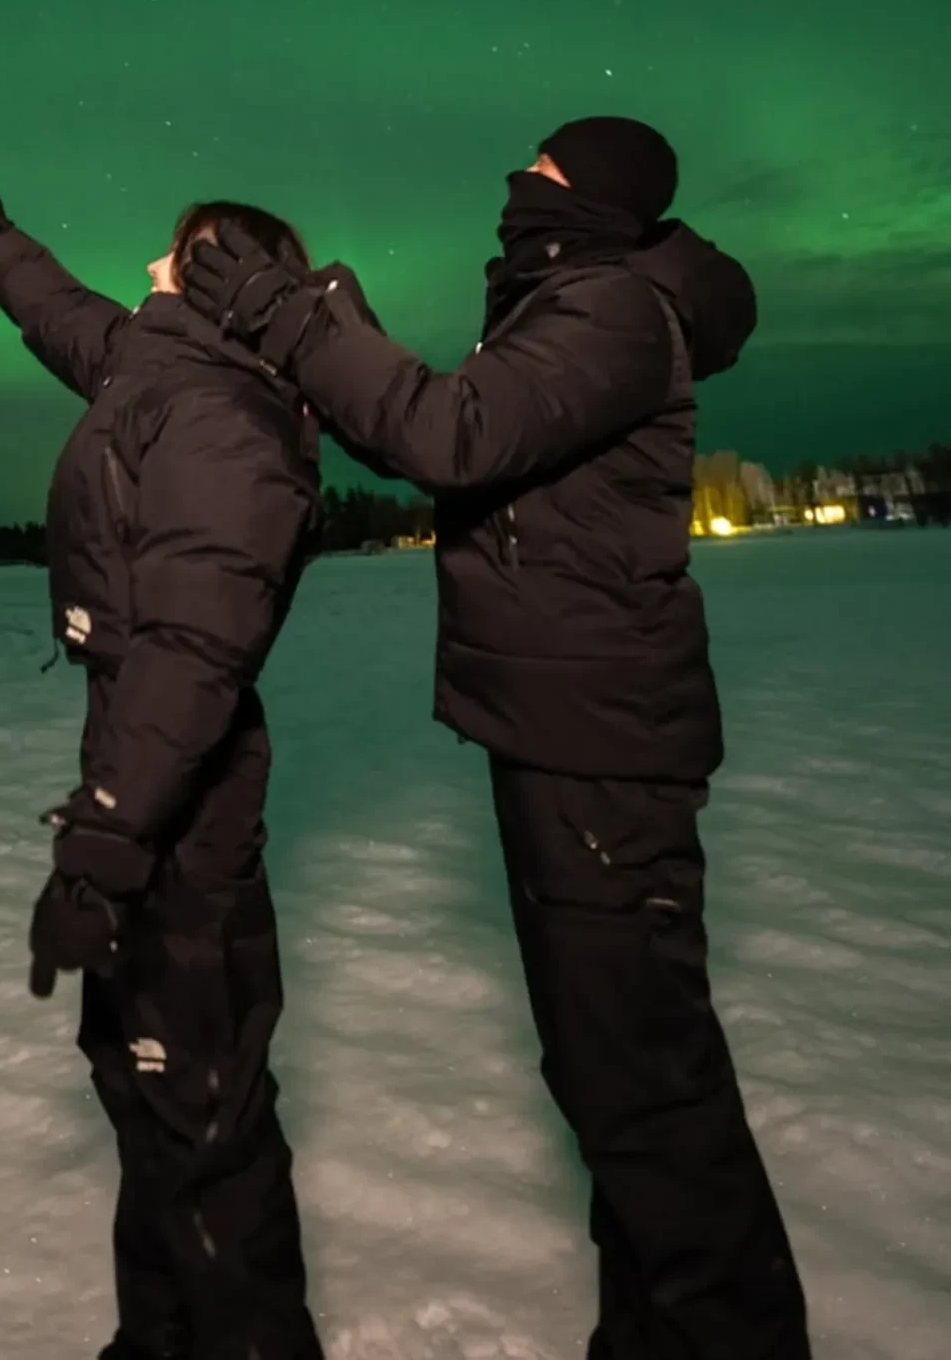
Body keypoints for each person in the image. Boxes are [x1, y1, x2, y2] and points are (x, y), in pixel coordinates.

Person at [178, 117, 812, 1360]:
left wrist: (285, 312)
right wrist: (317, 320)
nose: (518, 181)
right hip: (563, 724)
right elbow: (436, 434)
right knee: (607, 1077)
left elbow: (447, 434)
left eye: (544, 167)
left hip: (598, 743)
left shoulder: (612, 310)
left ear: (593, 192)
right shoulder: (570, 301)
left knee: (646, 1090)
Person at [0, 145, 325, 1360]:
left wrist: (103, 844)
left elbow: (191, 651)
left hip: (174, 774)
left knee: (202, 1113)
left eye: (171, 242)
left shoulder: (223, 419)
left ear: (211, 269)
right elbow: (56, 307)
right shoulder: (159, 371)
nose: (143, 258)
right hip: (135, 745)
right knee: (143, 1087)